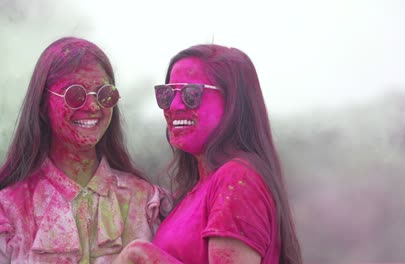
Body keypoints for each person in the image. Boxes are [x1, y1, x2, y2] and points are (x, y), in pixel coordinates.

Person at [115, 44, 302, 263]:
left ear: (233, 103)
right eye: (167, 94)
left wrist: (140, 254)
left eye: (191, 94)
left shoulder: (237, 178)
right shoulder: (199, 186)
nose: (174, 106)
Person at [0, 37, 169, 263]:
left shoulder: (146, 202)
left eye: (104, 94)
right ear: (42, 104)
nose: (92, 106)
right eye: (75, 94)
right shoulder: (9, 210)